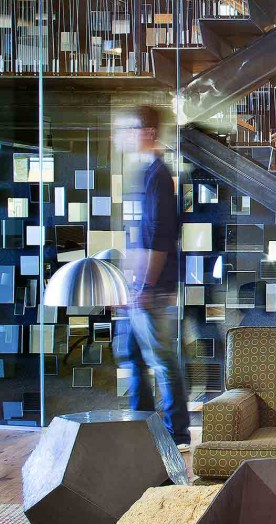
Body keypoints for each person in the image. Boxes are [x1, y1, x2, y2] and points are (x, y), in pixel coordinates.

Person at [114, 105, 191, 450]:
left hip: (152, 289)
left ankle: (178, 434)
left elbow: (161, 237)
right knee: (133, 356)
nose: (121, 136)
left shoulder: (159, 176)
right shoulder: (148, 174)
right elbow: (145, 238)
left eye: (126, 129)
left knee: (162, 362)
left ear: (147, 131)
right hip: (141, 285)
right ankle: (141, 429)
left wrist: (146, 286)